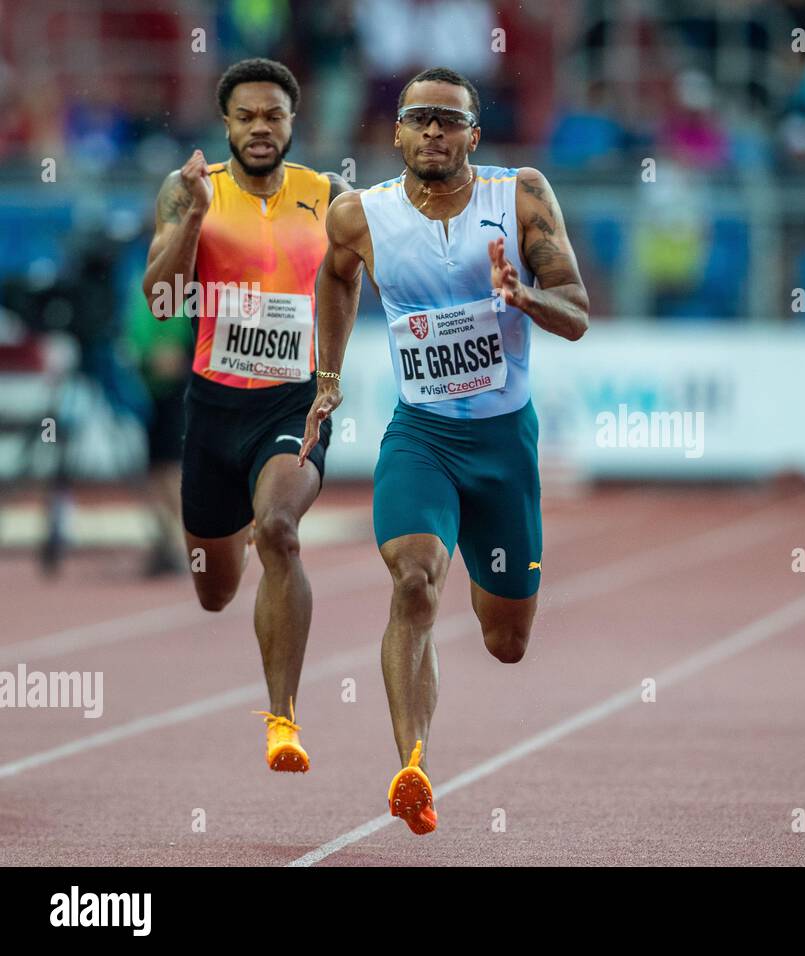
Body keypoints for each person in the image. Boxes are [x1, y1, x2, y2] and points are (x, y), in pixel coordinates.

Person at [300, 66, 589, 834]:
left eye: (449, 119)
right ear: (394, 131)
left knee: (506, 643)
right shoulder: (358, 214)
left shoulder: (520, 195)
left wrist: (523, 297)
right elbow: (333, 280)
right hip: (421, 436)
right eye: (418, 117)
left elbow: (578, 313)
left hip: (502, 445)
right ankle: (413, 768)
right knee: (416, 581)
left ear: (473, 134)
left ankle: (489, 593)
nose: (433, 130)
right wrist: (326, 377)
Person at [141, 58, 349, 773]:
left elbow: (382, 280)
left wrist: (330, 375)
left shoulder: (330, 197)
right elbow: (161, 299)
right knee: (214, 590)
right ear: (226, 122)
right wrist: (194, 219)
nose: (261, 128)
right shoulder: (188, 190)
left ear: (294, 122)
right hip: (214, 408)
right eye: (247, 116)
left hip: (294, 405)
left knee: (281, 533)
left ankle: (283, 720)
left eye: (274, 116)